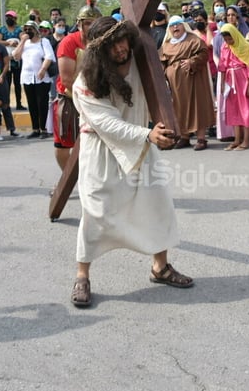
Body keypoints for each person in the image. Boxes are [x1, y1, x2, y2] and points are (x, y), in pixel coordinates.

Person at [70, 17, 193, 308]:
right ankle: (82, 275)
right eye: (113, 45)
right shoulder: (85, 83)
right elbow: (108, 125)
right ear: (100, 51)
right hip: (102, 151)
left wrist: (157, 130)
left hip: (142, 145)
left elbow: (159, 92)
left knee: (157, 203)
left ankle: (160, 267)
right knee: (95, 212)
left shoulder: (142, 64)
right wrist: (148, 134)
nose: (121, 48)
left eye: (123, 40)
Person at [52, 1, 99, 172]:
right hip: (71, 98)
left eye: (95, 23)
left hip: (96, 99)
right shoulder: (69, 42)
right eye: (87, 23)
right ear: (79, 24)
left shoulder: (102, 43)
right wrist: (88, 97)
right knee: (64, 144)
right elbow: (66, 79)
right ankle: (67, 180)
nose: (91, 27)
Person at [159, 16, 215, 150]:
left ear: (184, 25)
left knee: (197, 107)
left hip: (194, 81)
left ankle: (201, 139)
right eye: (172, 25)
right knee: (180, 108)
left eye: (178, 24)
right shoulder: (167, 44)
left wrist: (192, 62)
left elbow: (204, 53)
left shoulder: (193, 40)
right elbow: (162, 61)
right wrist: (166, 73)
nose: (175, 27)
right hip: (176, 85)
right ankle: (184, 137)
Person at [218, 23, 249, 150]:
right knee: (233, 110)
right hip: (231, 81)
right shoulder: (225, 47)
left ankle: (246, 140)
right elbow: (223, 66)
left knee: (245, 109)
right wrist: (223, 83)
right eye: (225, 39)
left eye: (230, 39)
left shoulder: (244, 46)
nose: (228, 41)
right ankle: (236, 139)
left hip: (243, 80)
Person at [13, 20, 56, 138]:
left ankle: (44, 129)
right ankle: (35, 128)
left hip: (42, 77)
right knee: (31, 103)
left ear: (35, 30)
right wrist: (22, 41)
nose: (27, 32)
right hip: (27, 77)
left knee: (41, 103)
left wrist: (42, 69)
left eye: (30, 29)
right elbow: (16, 56)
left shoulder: (44, 42)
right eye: (25, 29)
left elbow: (49, 57)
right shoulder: (25, 44)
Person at [0, 10, 24, 110]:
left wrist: (17, 43)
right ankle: (6, 103)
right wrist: (9, 43)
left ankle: (19, 103)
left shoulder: (18, 30)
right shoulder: (2, 30)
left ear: (15, 19)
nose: (9, 19)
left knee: (17, 83)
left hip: (16, 61)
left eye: (11, 17)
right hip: (6, 61)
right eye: (7, 17)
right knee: (6, 83)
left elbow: (23, 39)